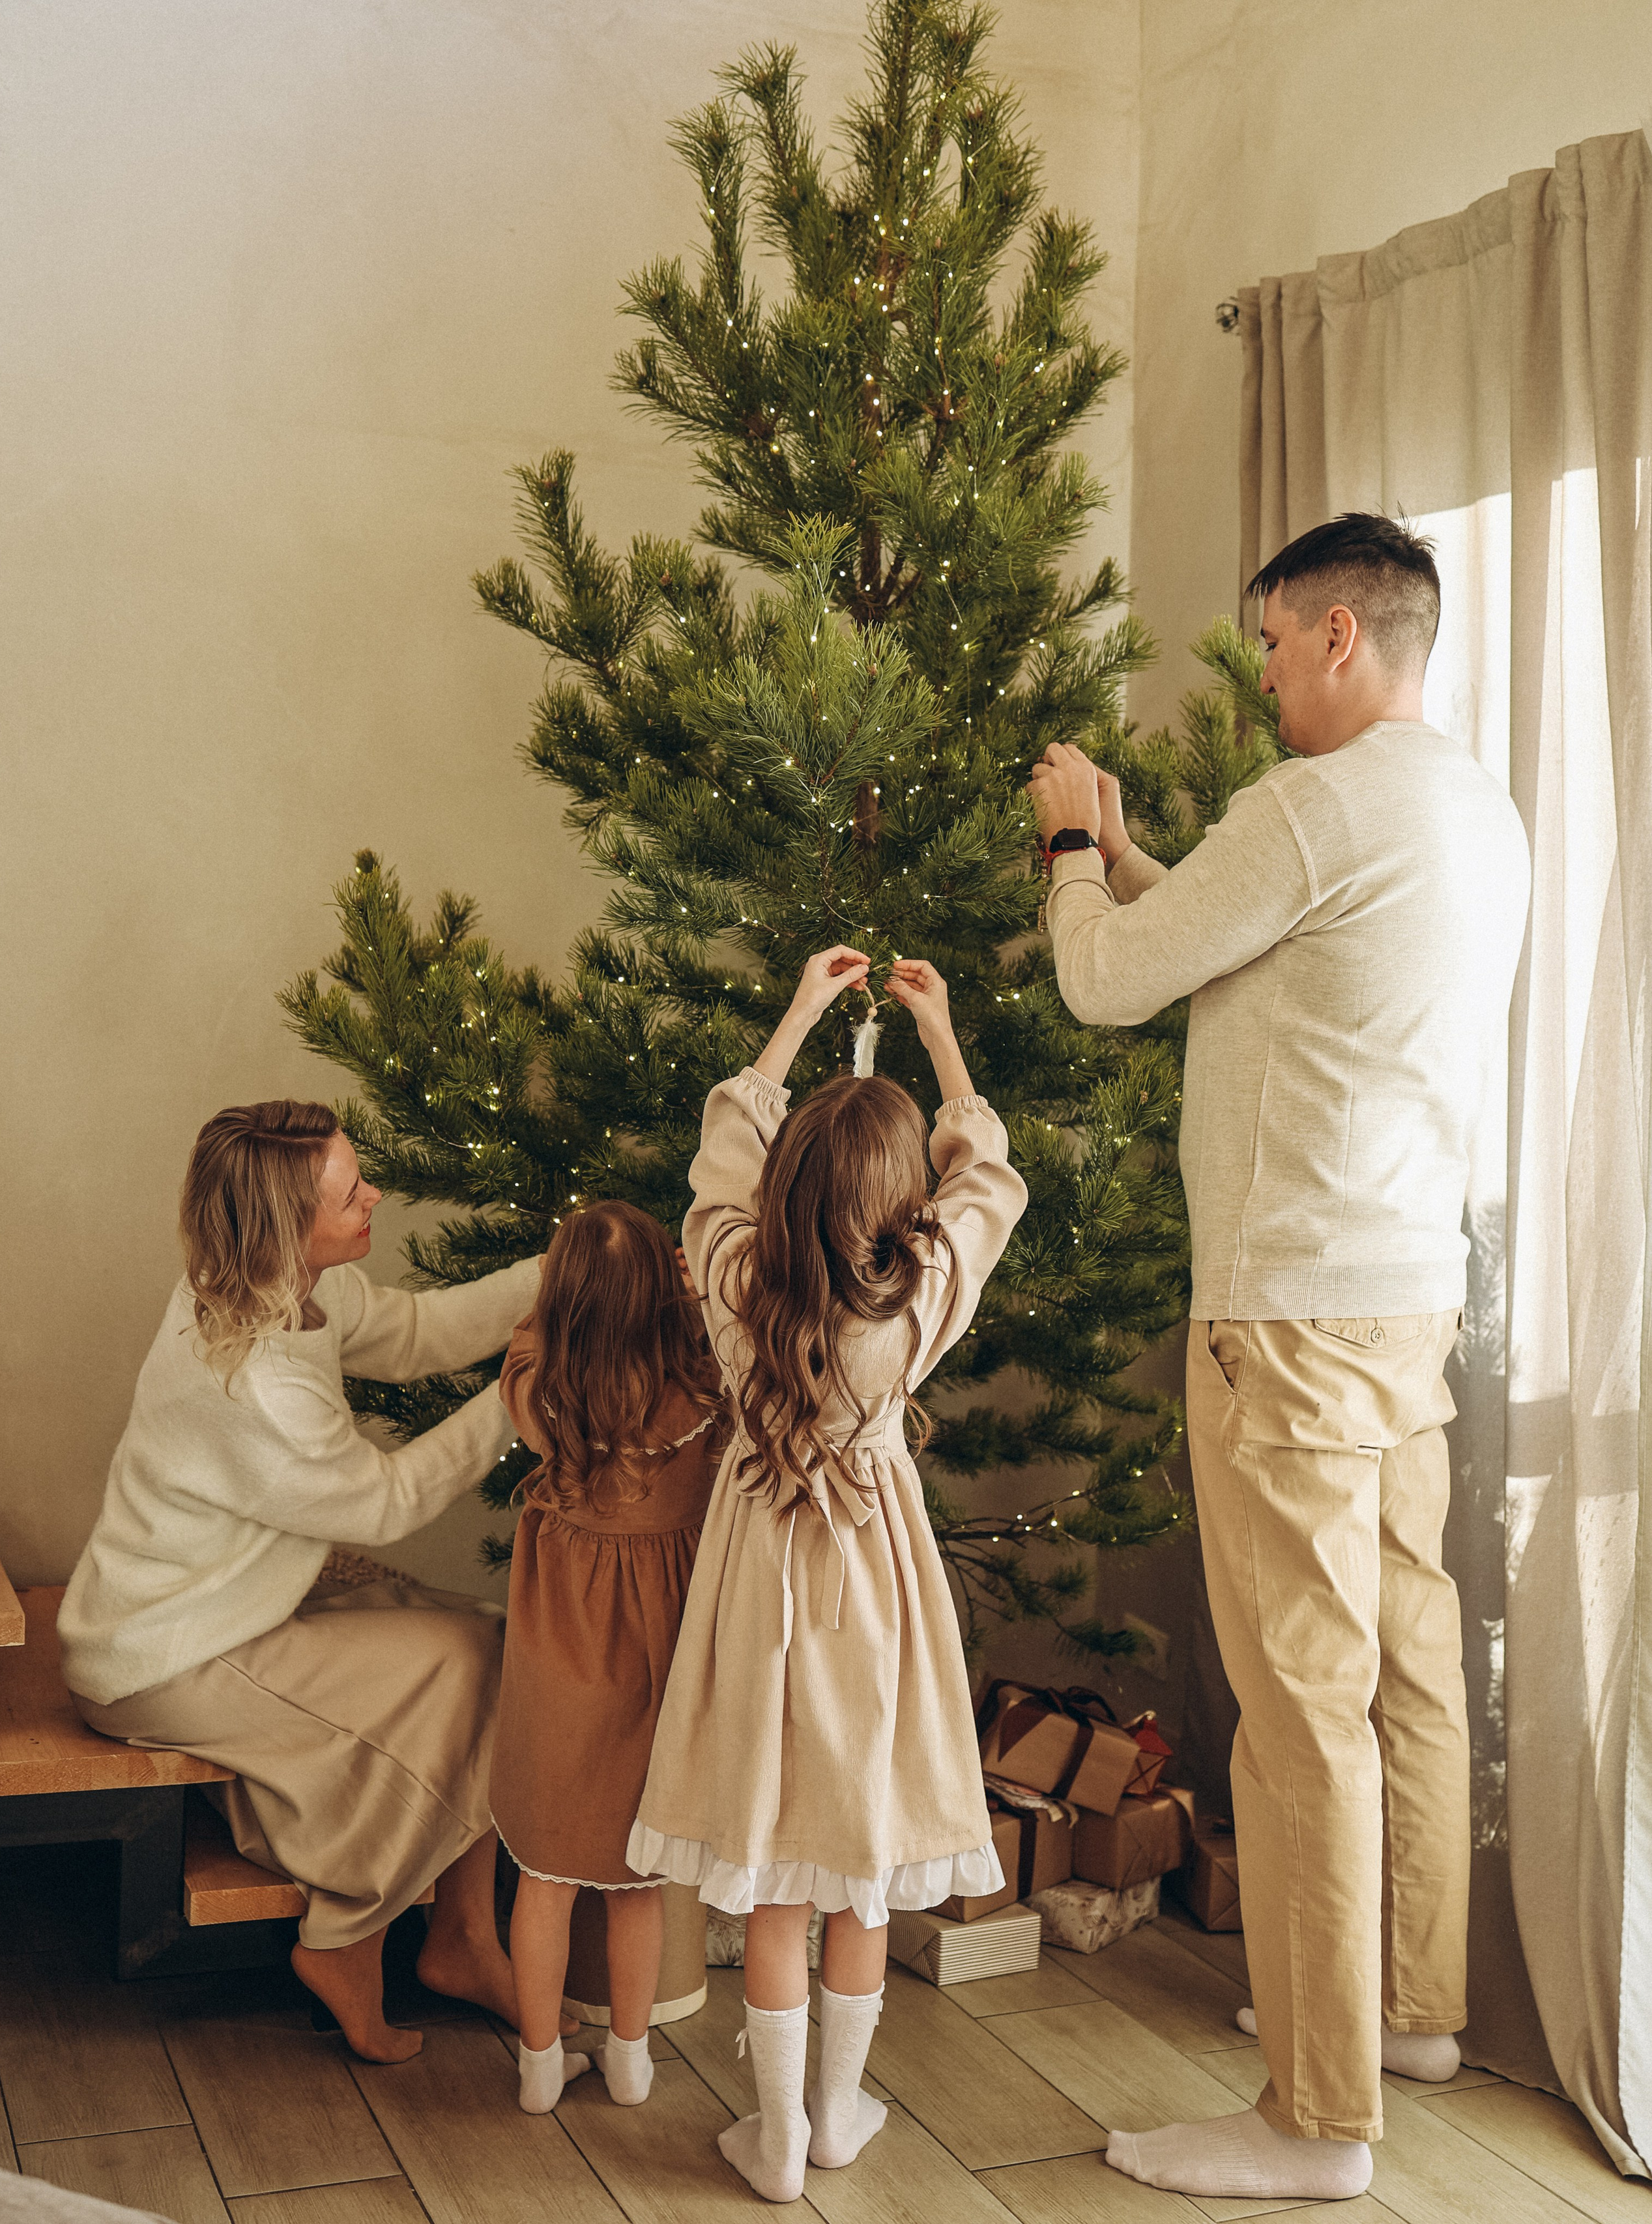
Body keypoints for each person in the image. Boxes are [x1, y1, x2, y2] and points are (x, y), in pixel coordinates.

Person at [1028, 513, 1531, 2203]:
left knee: (1300, 1709)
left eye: (1264, 643)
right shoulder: (1470, 809)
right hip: (1404, 1303)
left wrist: (1065, 849)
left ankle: (1315, 2117)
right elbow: (1259, 936)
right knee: (1406, 1664)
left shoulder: (1310, 805)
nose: (1255, 676)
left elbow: (1107, 984)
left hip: (1289, 1319)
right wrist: (1133, 850)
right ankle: (1406, 2013)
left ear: (1334, 633)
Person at [630, 949, 1028, 2204]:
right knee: (856, 1867)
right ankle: (838, 2112)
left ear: (786, 1186)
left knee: (774, 1876)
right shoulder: (919, 1300)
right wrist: (943, 1038)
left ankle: (776, 2134)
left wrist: (800, 1012)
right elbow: (990, 1181)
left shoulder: (734, 1275)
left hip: (760, 1584)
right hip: (876, 1589)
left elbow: (720, 1158)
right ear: (906, 1208)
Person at [59, 1099, 541, 2064]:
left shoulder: (280, 1285)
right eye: (350, 1192)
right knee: (468, 1657)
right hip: (166, 1652)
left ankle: (463, 1940)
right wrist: (525, 1391)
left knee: (497, 1639)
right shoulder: (256, 1384)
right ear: (285, 1224)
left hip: (230, 1605)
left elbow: (416, 1331)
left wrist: (559, 1276)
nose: (374, 1197)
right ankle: (346, 1936)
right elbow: (390, 1502)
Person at [490, 1199, 729, 2116]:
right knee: (638, 1884)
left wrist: (555, 1305)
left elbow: (522, 1347)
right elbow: (728, 1350)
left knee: (544, 1877)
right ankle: (631, 2062)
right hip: (654, 1668)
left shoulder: (545, 1394)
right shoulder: (699, 1396)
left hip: (560, 1666)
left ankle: (538, 2065)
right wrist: (694, 1299)